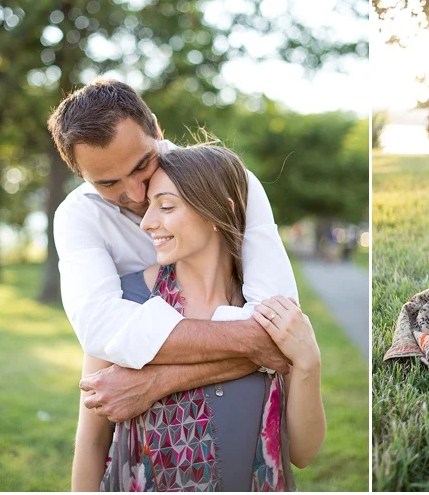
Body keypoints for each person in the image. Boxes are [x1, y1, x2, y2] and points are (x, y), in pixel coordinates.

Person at [71, 145, 326, 491]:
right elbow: (92, 443)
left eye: (165, 207)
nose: (147, 223)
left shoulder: (269, 312)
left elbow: (302, 453)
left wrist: (309, 363)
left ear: (218, 210)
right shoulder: (124, 305)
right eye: (149, 207)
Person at [47, 79, 296, 423]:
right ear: (80, 174)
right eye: (108, 183)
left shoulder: (230, 181)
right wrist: (252, 341)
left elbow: (279, 320)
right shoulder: (77, 216)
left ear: (156, 129)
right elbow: (100, 329)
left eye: (141, 166)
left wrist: (156, 381)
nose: (136, 195)